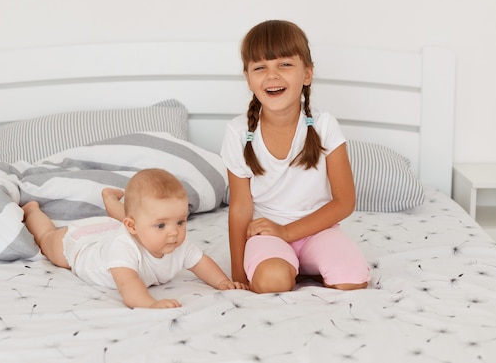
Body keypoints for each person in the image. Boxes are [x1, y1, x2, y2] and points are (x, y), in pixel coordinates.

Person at [221, 20, 370, 294]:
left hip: (319, 230)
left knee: (352, 278)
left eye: (285, 65)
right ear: (248, 78)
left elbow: (345, 201)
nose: (272, 75)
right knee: (272, 281)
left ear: (307, 74)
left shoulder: (324, 126)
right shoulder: (238, 132)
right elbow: (241, 208)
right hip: (267, 234)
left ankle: (301, 264)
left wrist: (287, 232)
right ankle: (284, 265)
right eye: (260, 67)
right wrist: (238, 273)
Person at [22, 168, 247, 309]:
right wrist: (151, 304)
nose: (174, 232)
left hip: (116, 230)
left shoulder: (174, 242)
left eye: (181, 221)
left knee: (139, 224)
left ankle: (110, 200)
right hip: (84, 245)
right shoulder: (124, 249)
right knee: (48, 240)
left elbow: (201, 262)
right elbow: (128, 285)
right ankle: (33, 212)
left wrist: (222, 282)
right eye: (162, 224)